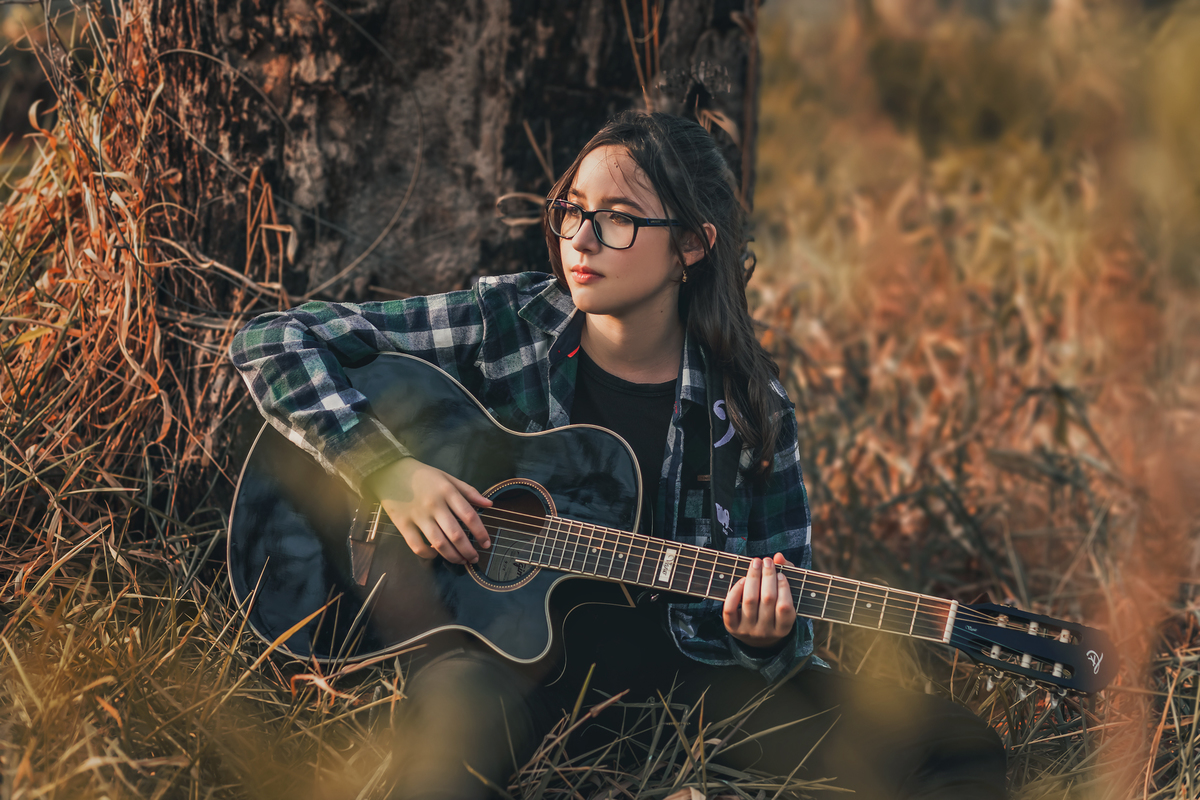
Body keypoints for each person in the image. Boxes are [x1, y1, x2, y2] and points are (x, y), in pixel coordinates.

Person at [229, 111, 1007, 799]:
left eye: (620, 219)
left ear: (694, 247)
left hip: (669, 680)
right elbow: (273, 338)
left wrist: (761, 639)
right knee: (445, 770)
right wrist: (387, 469)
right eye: (573, 212)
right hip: (496, 659)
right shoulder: (510, 321)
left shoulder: (748, 411)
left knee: (955, 744)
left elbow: (783, 619)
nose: (581, 240)